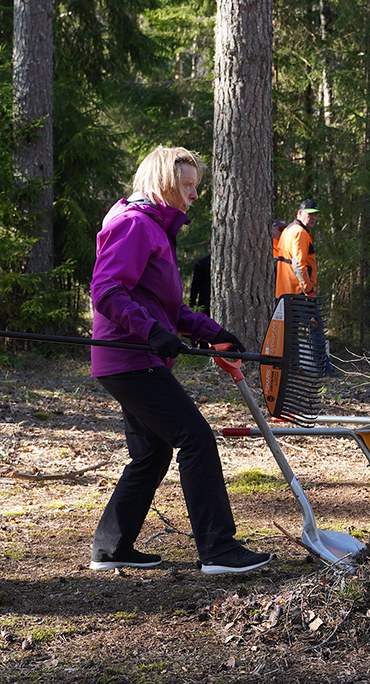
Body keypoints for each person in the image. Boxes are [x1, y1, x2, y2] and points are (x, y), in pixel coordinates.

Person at [89, 146, 272, 575]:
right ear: (164, 183)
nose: (194, 195)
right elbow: (106, 290)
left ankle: (111, 547)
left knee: (151, 453)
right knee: (195, 438)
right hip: (130, 358)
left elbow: (166, 307)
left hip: (132, 357)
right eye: (188, 186)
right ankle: (218, 550)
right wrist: (151, 334)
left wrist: (214, 334)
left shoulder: (154, 229)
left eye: (195, 186)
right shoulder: (136, 225)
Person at [275, 199, 319, 298]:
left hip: (283, 293)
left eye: (315, 215)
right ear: (300, 213)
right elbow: (299, 264)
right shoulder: (300, 232)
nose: (313, 218)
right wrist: (308, 290)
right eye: (310, 214)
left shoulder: (289, 229)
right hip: (297, 294)